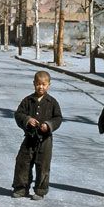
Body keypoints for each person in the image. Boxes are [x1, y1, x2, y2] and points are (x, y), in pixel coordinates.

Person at [12, 71, 62, 200]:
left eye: (44, 84)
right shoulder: (28, 100)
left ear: (49, 85)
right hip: (30, 137)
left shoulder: (52, 102)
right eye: (38, 84)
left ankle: (40, 190)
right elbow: (18, 114)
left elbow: (58, 118)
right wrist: (27, 119)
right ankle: (21, 188)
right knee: (23, 162)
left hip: (45, 140)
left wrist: (48, 125)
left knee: (43, 165)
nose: (41, 87)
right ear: (34, 84)